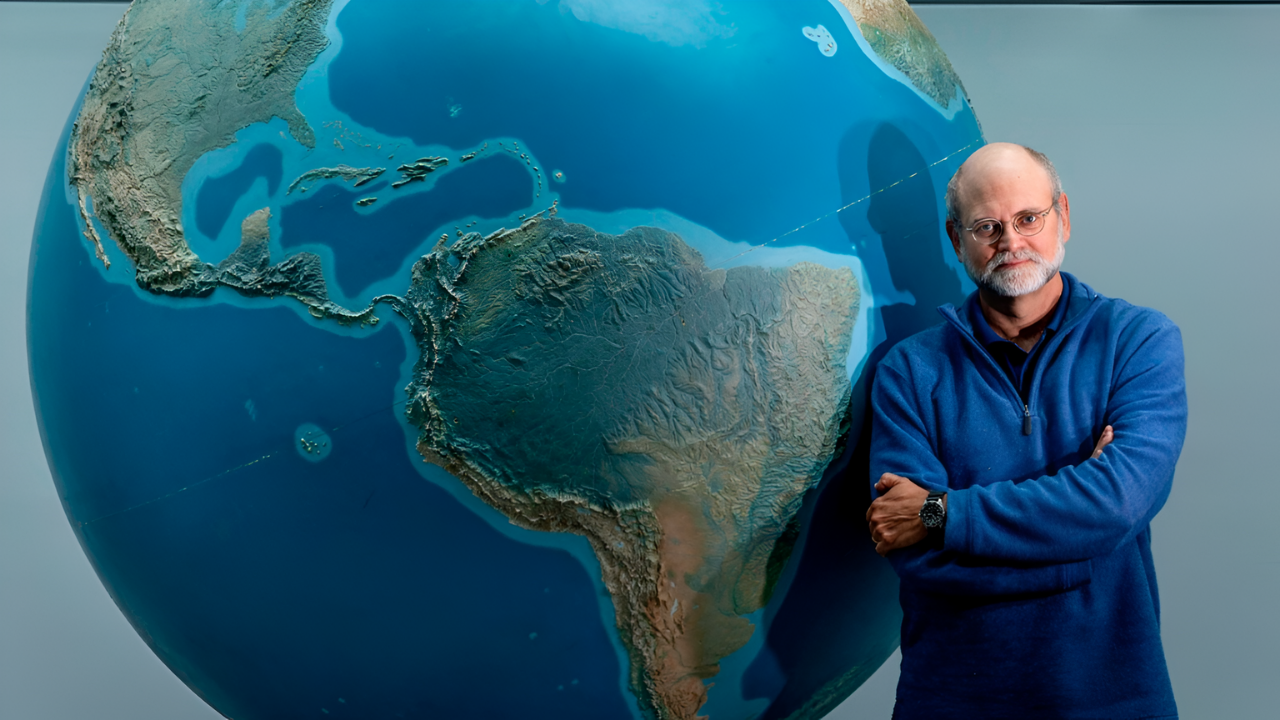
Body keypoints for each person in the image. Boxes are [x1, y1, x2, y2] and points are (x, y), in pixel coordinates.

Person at [865, 142, 1186, 719]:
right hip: (950, 704)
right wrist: (1084, 548)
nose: (1010, 242)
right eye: (987, 227)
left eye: (1028, 218)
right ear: (956, 238)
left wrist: (941, 513)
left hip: (1113, 701)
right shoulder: (908, 372)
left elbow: (1117, 505)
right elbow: (914, 555)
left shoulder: (1138, 341)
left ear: (1063, 215)